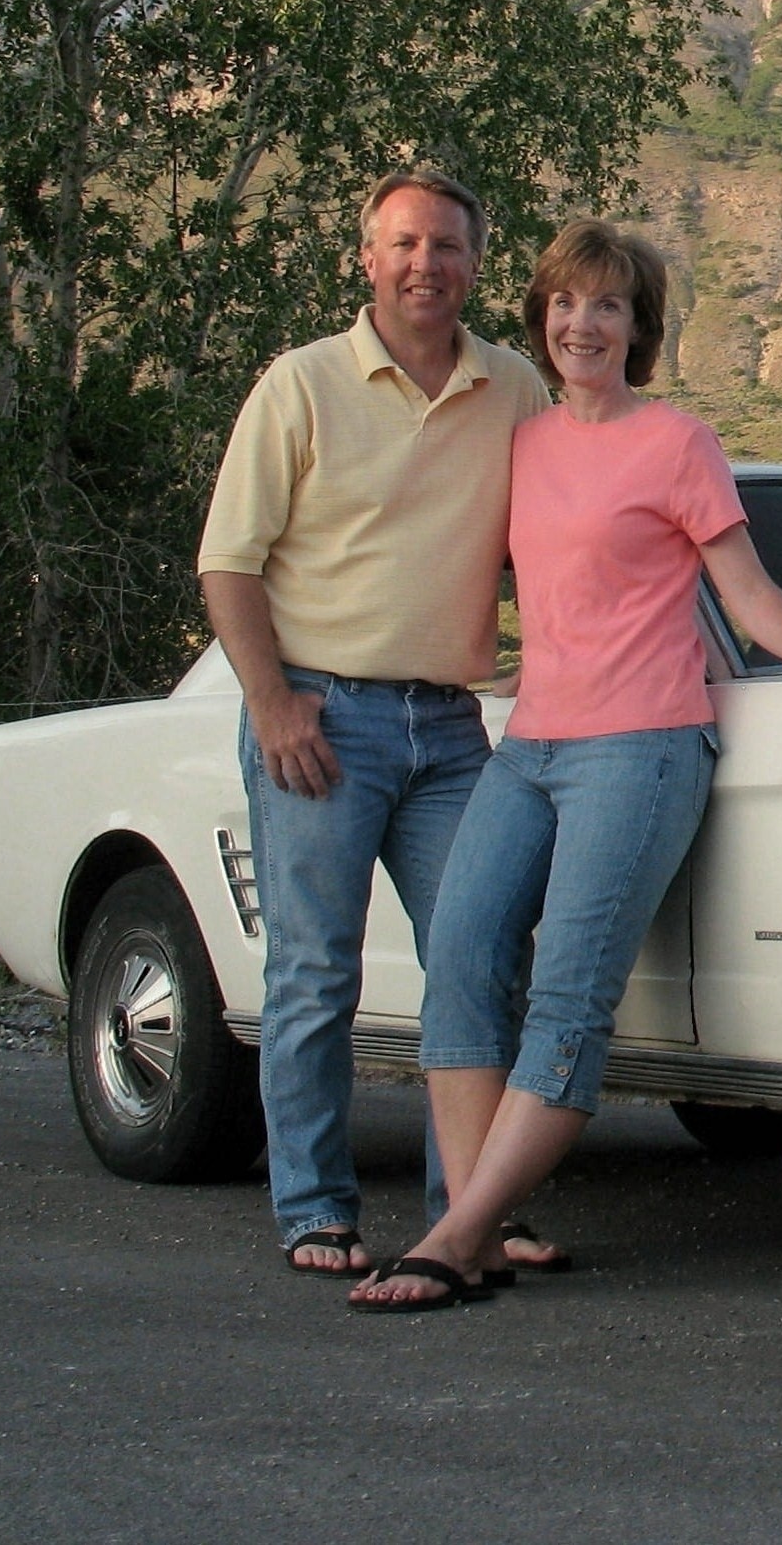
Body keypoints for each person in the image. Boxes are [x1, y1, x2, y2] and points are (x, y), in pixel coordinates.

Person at [349, 220, 782, 1311]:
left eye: (606, 307)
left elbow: (739, 589)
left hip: (641, 747)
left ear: (639, 327)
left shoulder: (676, 443)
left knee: (568, 996)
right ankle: (478, 1219)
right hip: (531, 743)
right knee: (457, 955)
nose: (581, 324)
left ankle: (455, 1237)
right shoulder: (523, 438)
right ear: (541, 317)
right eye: (563, 303)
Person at [198, 168, 553, 1279]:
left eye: (446, 246)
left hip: (450, 728)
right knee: (315, 973)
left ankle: (470, 1212)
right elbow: (229, 561)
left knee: (478, 961)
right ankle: (314, 1207)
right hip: (322, 717)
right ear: (366, 258)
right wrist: (270, 703)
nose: (425, 265)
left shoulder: (516, 389)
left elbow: (561, 534)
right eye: (404, 244)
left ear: (475, 263)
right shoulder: (301, 385)